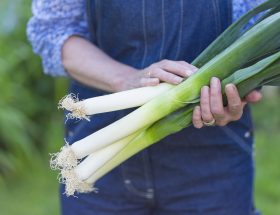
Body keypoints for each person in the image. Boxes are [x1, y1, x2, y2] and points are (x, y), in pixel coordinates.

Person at [27, 0, 264, 214]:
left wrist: (236, 87)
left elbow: (259, 32)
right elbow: (53, 29)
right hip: (99, 139)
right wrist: (124, 78)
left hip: (213, 160)